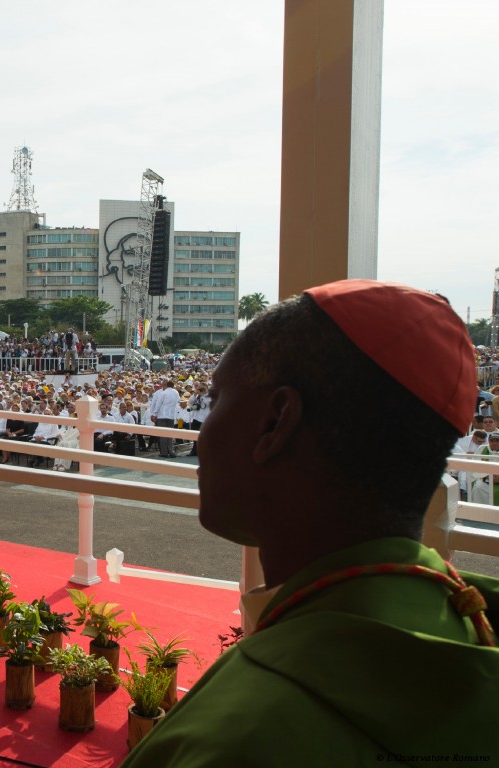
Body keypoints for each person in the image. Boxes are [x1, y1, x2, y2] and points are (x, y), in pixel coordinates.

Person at [123, 280, 499, 766]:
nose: (204, 432)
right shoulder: (470, 618)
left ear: (276, 422)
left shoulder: (235, 738)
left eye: (216, 401)